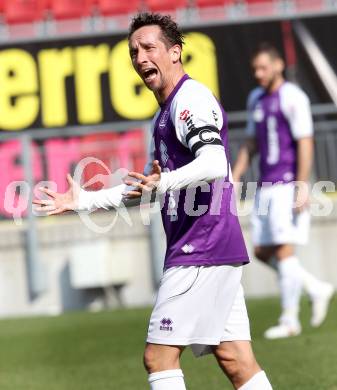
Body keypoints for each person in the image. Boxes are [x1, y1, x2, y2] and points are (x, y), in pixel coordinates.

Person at [34, 13, 273, 390]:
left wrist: (165, 183)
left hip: (202, 247)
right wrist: (83, 200)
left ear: (175, 52)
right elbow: (145, 188)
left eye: (149, 47)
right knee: (236, 359)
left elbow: (214, 163)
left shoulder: (190, 99)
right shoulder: (163, 114)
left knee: (158, 357)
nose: (140, 57)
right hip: (208, 248)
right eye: (133, 51)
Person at [233, 43, 334, 340]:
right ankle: (316, 288)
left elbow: (305, 141)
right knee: (262, 251)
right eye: (255, 69)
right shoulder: (256, 99)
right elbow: (252, 142)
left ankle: (290, 320)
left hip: (287, 184)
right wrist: (237, 173)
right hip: (265, 185)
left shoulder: (293, 97)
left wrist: (301, 185)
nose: (258, 74)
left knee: (284, 250)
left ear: (278, 66)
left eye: (263, 67)